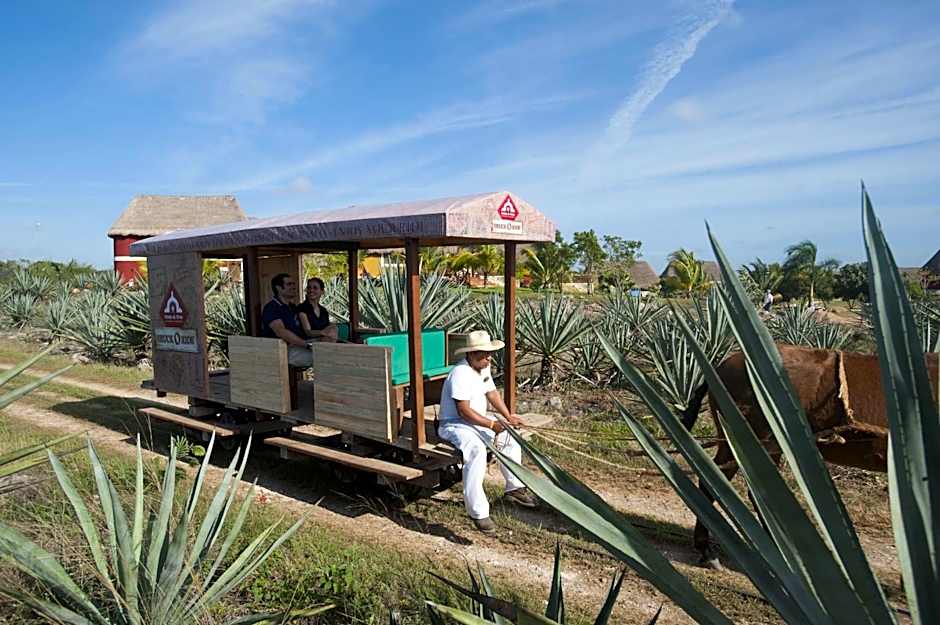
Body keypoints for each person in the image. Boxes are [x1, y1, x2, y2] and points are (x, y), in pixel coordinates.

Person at [437, 330, 538, 533]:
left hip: (474, 421)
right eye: (485, 354)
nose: (489, 358)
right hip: (454, 424)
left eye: (489, 353)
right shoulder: (460, 373)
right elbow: (463, 410)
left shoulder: (482, 368)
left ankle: (514, 487)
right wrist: (491, 425)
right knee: (476, 451)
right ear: (472, 354)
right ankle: (478, 513)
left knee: (510, 434)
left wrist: (508, 417)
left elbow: (491, 393)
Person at [261, 273, 312, 367]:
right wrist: (306, 345)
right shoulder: (272, 307)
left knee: (331, 352)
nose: (293, 287)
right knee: (322, 357)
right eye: (289, 284)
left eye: (293, 284)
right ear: (278, 288)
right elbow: (281, 331)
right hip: (283, 350)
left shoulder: (292, 307)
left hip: (299, 346)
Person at [296, 277, 338, 342]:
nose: (311, 290)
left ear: (322, 291)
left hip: (323, 340)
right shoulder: (302, 308)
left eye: (315, 288)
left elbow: (327, 326)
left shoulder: (323, 310)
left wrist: (332, 327)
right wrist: (323, 332)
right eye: (309, 288)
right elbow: (308, 332)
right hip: (307, 342)